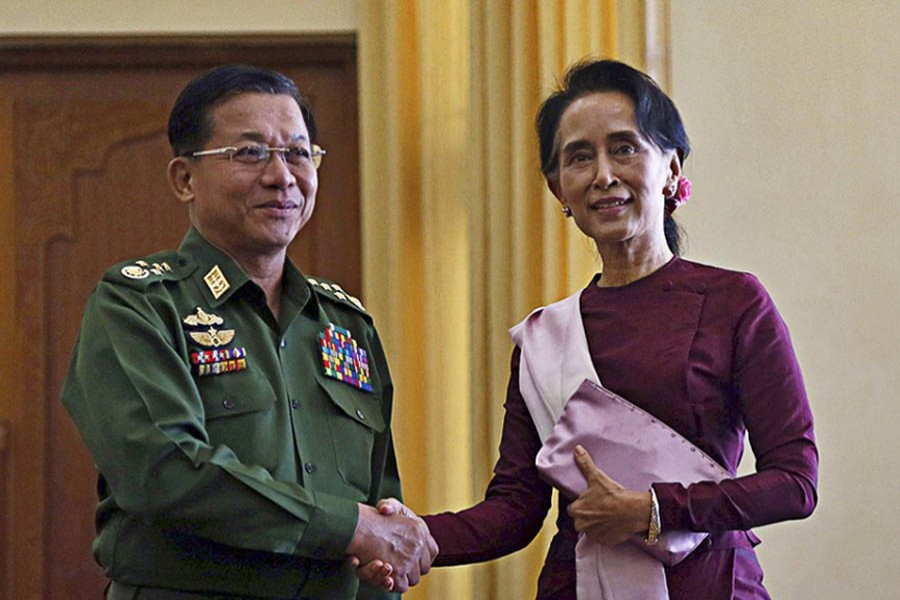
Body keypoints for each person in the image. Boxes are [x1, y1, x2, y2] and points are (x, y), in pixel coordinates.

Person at [358, 59, 818, 598]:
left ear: (671, 169)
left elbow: (795, 482)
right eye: (579, 157)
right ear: (560, 191)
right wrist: (409, 535)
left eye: (624, 148)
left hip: (711, 584)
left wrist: (654, 509)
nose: (603, 174)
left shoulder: (734, 301)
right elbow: (514, 509)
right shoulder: (545, 337)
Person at [60, 64, 437, 599]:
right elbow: (163, 473)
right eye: (250, 152)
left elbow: (380, 515)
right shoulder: (138, 304)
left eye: (299, 153)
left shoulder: (346, 324)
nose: (282, 176)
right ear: (184, 179)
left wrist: (384, 554)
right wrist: (346, 526)